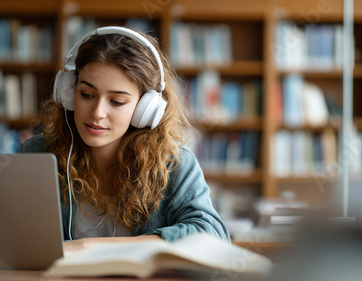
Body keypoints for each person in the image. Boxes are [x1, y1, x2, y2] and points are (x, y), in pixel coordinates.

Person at [16, 26, 230, 255]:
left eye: (117, 101)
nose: (97, 112)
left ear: (145, 109)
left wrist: (91, 246)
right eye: (86, 95)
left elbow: (211, 234)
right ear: (68, 92)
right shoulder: (37, 154)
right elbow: (7, 232)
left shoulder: (175, 164)